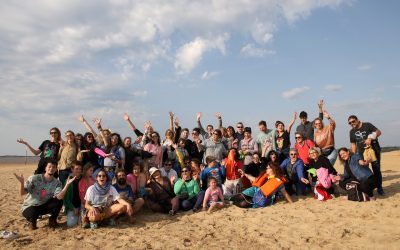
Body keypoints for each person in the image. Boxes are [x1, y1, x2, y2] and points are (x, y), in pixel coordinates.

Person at [14, 160, 76, 230]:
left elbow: (59, 197)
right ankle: (32, 222)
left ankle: (52, 221)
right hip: (30, 206)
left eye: (53, 167)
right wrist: (21, 183)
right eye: (49, 167)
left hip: (43, 206)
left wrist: (67, 185)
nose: (51, 169)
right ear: (45, 168)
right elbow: (22, 193)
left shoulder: (57, 183)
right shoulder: (34, 178)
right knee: (33, 214)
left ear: (56, 169)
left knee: (59, 201)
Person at [348, 115, 384, 195]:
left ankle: (380, 188)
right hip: (362, 153)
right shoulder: (352, 132)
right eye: (350, 123)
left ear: (357, 120)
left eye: (353, 121)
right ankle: (368, 189)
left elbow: (379, 132)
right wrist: (354, 155)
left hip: (373, 151)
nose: (352, 123)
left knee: (376, 170)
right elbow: (353, 144)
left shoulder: (367, 125)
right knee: (365, 172)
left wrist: (370, 137)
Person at [63, 162, 82, 227]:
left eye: (80, 169)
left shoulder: (84, 179)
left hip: (82, 206)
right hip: (73, 207)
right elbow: (66, 199)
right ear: (72, 169)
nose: (79, 171)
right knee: (71, 224)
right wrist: (73, 208)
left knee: (82, 223)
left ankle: (80, 216)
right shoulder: (68, 181)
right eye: (76, 169)